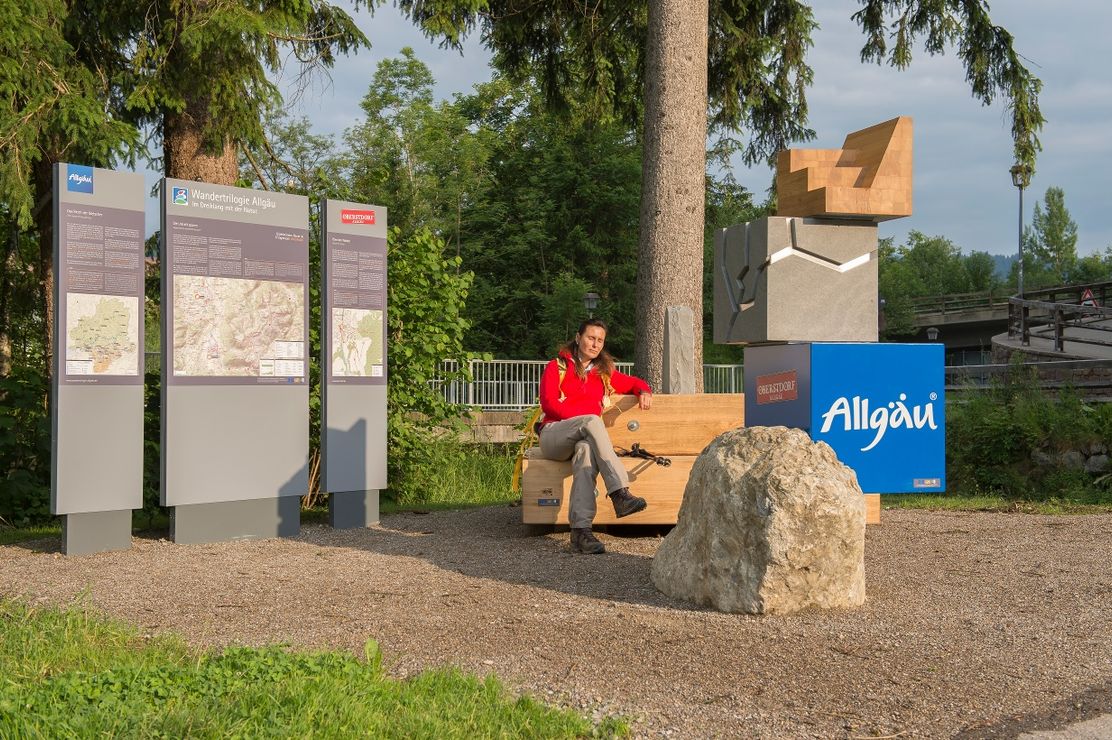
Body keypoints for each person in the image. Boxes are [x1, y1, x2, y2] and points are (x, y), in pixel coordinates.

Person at [536, 318, 652, 554]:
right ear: (578, 338)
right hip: (553, 436)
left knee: (586, 451)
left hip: (581, 440)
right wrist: (585, 417)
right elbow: (549, 404)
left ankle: (581, 532)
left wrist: (643, 390)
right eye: (591, 338)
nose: (595, 344)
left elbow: (634, 382)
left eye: (600, 340)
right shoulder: (557, 366)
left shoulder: (603, 373)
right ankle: (619, 492)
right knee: (591, 420)